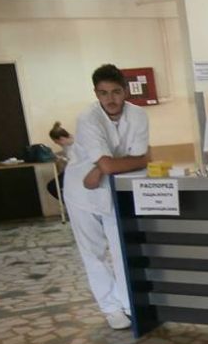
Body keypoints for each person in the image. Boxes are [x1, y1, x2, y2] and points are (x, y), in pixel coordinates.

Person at [64, 64, 150, 330]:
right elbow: (131, 160)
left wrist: (104, 168)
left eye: (115, 92)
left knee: (122, 248)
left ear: (125, 91)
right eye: (103, 93)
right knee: (94, 253)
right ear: (96, 94)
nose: (110, 99)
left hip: (115, 189)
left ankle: (128, 304)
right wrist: (113, 165)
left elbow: (130, 160)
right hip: (82, 193)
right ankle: (111, 308)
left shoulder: (138, 115)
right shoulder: (87, 119)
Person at [46, 121, 73, 199]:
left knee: (52, 187)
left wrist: (62, 159)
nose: (56, 144)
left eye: (56, 142)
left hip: (78, 171)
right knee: (52, 186)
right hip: (71, 170)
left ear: (61, 139)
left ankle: (68, 202)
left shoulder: (77, 144)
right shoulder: (66, 144)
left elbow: (74, 161)